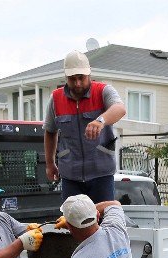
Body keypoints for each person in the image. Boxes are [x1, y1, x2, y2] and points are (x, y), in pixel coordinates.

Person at [44, 50, 127, 204]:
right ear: (66, 77)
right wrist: (50, 163)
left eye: (81, 78)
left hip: (101, 174)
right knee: (73, 223)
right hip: (71, 176)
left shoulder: (103, 91)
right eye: (72, 79)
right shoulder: (56, 98)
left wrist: (100, 121)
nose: (77, 84)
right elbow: (50, 131)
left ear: (89, 74)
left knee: (103, 220)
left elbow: (120, 109)